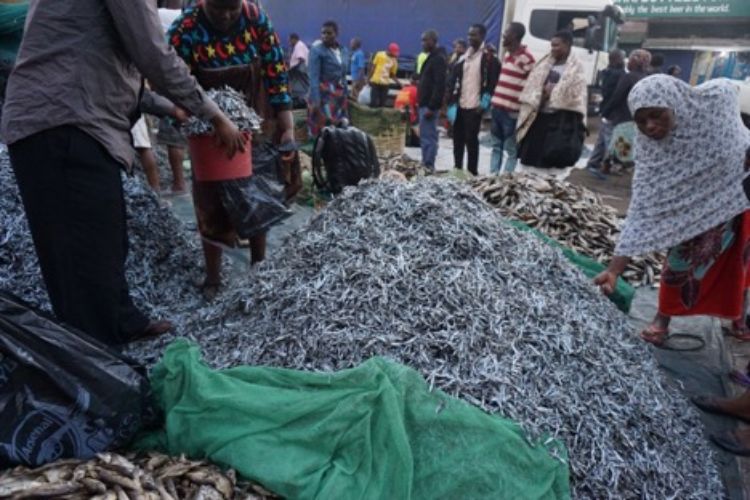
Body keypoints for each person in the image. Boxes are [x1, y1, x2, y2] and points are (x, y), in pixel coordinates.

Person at [1, 0, 245, 346]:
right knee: (81, 256)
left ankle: (120, 320)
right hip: (62, 122)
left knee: (106, 235)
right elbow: (151, 52)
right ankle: (96, 362)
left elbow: (109, 61)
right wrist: (213, 113)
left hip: (74, 121)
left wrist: (171, 108)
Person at [593, 76, 750, 456]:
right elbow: (641, 209)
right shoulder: (651, 151)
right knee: (679, 267)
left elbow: (729, 88)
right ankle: (667, 321)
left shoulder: (712, 103)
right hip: (695, 219)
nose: (651, 128)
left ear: (676, 103)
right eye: (642, 120)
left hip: (738, 197)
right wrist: (615, 269)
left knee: (739, 272)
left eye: (658, 117)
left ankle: (738, 322)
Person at [168, 0, 294, 300]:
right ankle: (213, 276)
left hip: (254, 119)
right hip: (208, 126)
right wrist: (180, 111)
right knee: (209, 198)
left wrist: (287, 125)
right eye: (218, 9)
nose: (225, 16)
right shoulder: (187, 27)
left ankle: (259, 266)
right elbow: (170, 75)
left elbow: (277, 73)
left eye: (232, 9)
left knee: (257, 194)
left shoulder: (256, 20)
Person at [516, 30, 587, 169]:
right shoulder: (545, 63)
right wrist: (540, 94)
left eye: (557, 45)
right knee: (531, 158)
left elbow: (577, 95)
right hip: (539, 115)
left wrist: (553, 94)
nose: (553, 49)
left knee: (551, 159)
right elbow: (533, 85)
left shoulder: (576, 68)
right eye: (552, 45)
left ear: (567, 45)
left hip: (560, 120)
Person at [447, 23, 499, 175]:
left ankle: (472, 172)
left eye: (474, 35)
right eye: (469, 34)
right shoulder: (463, 57)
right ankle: (457, 170)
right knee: (457, 140)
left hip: (475, 107)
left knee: (471, 141)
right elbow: (453, 80)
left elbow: (492, 84)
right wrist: (450, 102)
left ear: (482, 36)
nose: (470, 38)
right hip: (459, 106)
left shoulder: (489, 58)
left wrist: (484, 104)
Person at [489, 22, 535, 174]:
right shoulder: (507, 55)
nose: (503, 35)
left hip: (511, 113)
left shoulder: (527, 59)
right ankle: (492, 178)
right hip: (497, 109)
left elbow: (535, 83)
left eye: (506, 32)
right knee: (496, 147)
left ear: (514, 36)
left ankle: (505, 180)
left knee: (511, 150)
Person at [598, 49, 651, 174]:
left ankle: (611, 166)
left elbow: (617, 96)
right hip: (634, 117)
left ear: (634, 62)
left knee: (613, 142)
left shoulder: (628, 77)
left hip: (621, 116)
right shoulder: (646, 78)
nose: (627, 62)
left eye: (630, 59)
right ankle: (602, 163)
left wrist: (605, 112)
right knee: (622, 142)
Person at [158, 0, 190, 194]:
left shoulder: (160, 15)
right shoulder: (190, 17)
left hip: (171, 83)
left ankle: (179, 183)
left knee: (173, 134)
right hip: (192, 81)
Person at [585, 49, 625, 173]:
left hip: (605, 109)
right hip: (612, 111)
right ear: (617, 59)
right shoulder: (619, 75)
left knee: (602, 138)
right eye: (622, 58)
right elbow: (616, 95)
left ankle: (594, 161)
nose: (624, 60)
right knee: (610, 139)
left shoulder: (606, 73)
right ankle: (612, 164)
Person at [308, 20, 349, 137]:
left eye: (329, 33)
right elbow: (313, 77)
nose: (325, 36)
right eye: (323, 33)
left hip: (339, 96)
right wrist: (315, 101)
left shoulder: (344, 51)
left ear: (336, 34)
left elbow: (343, 75)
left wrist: (346, 93)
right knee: (324, 130)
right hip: (324, 95)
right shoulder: (317, 50)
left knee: (340, 129)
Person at [417, 30, 447, 172]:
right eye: (422, 40)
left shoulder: (438, 59)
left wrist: (432, 106)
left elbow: (439, 85)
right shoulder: (432, 58)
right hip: (425, 104)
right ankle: (426, 163)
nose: (422, 43)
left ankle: (428, 166)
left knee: (428, 138)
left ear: (433, 41)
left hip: (429, 106)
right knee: (425, 136)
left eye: (425, 40)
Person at [369, 43, 400, 108]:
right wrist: (369, 78)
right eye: (393, 53)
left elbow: (392, 74)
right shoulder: (379, 55)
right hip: (376, 82)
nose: (394, 55)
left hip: (385, 84)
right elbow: (373, 67)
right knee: (373, 102)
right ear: (389, 51)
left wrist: (399, 83)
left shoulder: (395, 61)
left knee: (382, 103)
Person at [287, 33, 310, 108]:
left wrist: (290, 70)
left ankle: (301, 106)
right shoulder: (300, 45)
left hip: (299, 73)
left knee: (300, 91)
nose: (289, 43)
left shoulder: (299, 45)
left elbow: (301, 60)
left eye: (290, 41)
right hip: (299, 73)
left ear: (294, 39)